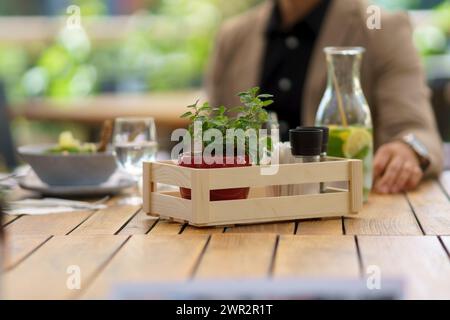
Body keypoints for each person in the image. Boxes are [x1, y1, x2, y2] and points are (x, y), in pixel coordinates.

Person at [205, 0, 443, 194]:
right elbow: (214, 133)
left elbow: (418, 131)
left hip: (348, 219)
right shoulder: (233, 36)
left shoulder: (381, 28)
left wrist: (408, 150)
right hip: (246, 214)